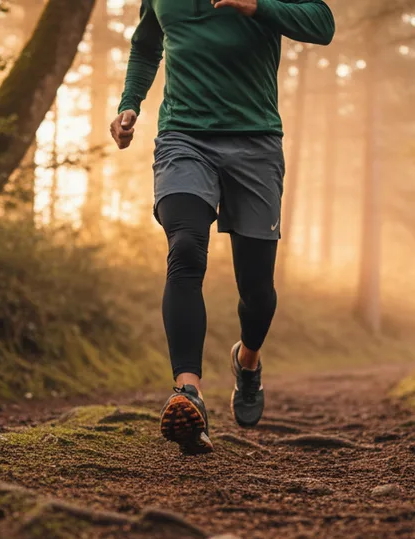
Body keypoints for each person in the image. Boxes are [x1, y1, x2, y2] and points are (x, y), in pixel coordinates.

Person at [111, 0, 335, 455]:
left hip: (256, 141)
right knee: (186, 248)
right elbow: (146, 45)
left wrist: (257, 7)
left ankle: (246, 360)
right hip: (183, 138)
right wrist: (129, 103)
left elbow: (322, 24)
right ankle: (188, 391)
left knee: (256, 289)